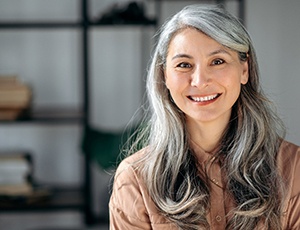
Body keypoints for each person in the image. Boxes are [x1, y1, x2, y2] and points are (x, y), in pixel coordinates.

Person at [109, 4, 300, 230]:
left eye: (217, 61)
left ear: (244, 69)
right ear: (165, 77)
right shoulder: (134, 180)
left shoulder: (293, 167)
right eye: (183, 65)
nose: (200, 80)